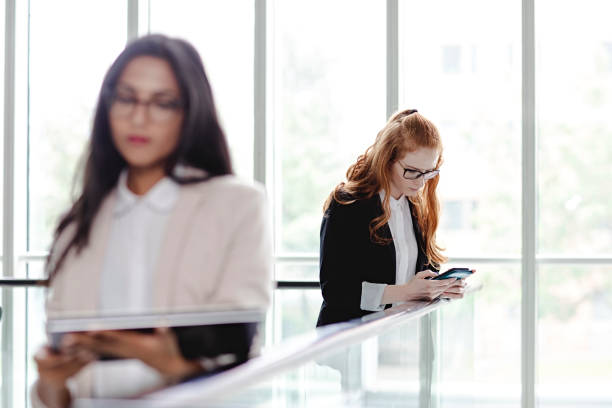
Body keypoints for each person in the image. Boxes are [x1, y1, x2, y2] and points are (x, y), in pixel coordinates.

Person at [32, 34, 272, 407]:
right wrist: (50, 381)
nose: (138, 117)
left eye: (163, 103)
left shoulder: (237, 205)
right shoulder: (77, 227)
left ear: (189, 112)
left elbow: (240, 356)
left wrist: (163, 358)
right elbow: (56, 397)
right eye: (126, 98)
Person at [316, 109, 471, 327]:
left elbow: (420, 276)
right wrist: (404, 292)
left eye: (428, 172)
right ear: (387, 159)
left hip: (398, 337)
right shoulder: (348, 204)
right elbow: (336, 290)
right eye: (412, 171)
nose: (420, 182)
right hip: (349, 340)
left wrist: (441, 287)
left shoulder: (416, 206)